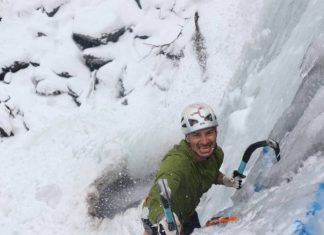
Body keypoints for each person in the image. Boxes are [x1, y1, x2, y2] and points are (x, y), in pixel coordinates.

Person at [141, 103, 245, 235]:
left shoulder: (216, 155)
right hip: (158, 217)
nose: (205, 141)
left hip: (187, 214)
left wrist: (225, 180)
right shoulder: (176, 162)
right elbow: (158, 192)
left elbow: (208, 173)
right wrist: (163, 219)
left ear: (216, 132)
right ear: (187, 138)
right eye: (196, 135)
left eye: (209, 133)